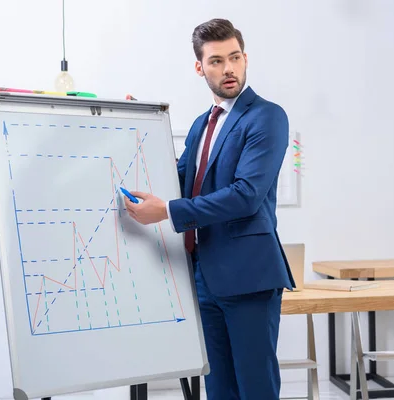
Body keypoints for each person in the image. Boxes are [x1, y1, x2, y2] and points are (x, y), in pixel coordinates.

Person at [125, 18, 295, 400]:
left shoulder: (267, 116)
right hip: (204, 277)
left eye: (234, 57)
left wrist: (168, 210)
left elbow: (246, 195)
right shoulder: (203, 124)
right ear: (200, 67)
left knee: (255, 388)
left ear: (246, 58)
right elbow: (177, 177)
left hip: (249, 276)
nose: (229, 68)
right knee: (218, 388)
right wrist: (132, 128)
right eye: (217, 61)